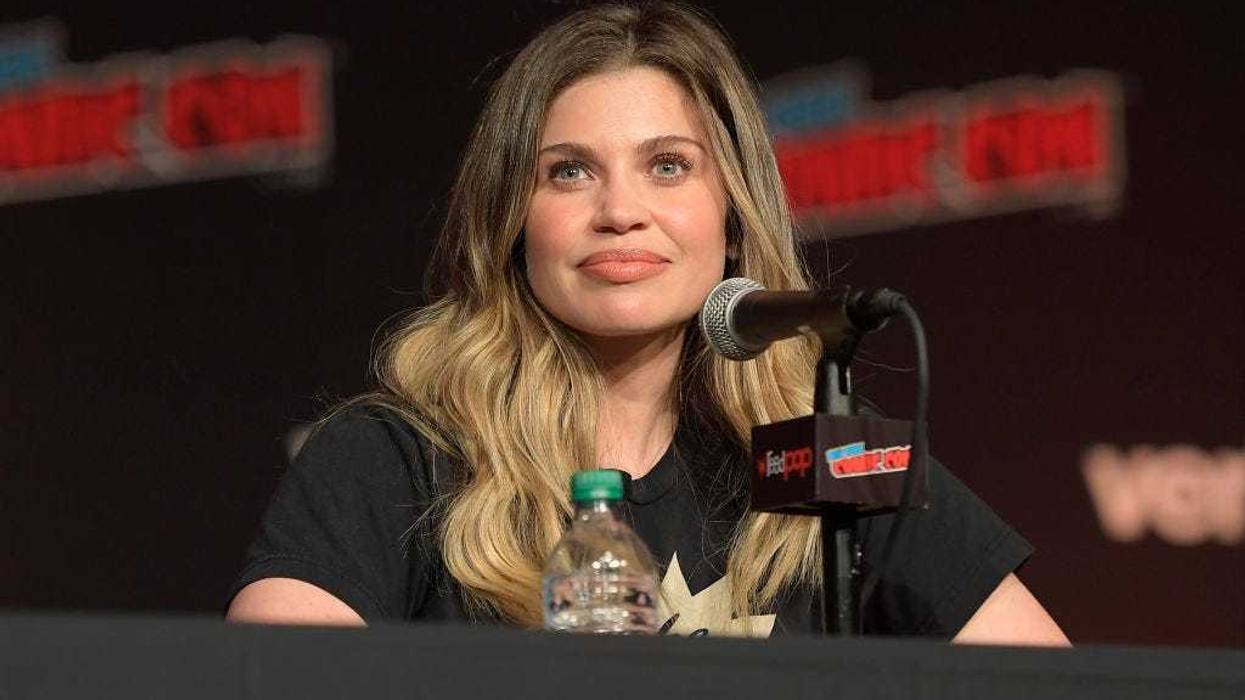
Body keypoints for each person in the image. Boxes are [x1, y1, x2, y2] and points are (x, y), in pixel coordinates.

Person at [227, 2, 1068, 644]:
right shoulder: (394, 457)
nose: (620, 211)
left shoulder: (834, 461)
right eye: (568, 173)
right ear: (511, 220)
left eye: (668, 166)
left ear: (731, 214)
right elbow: (266, 681)